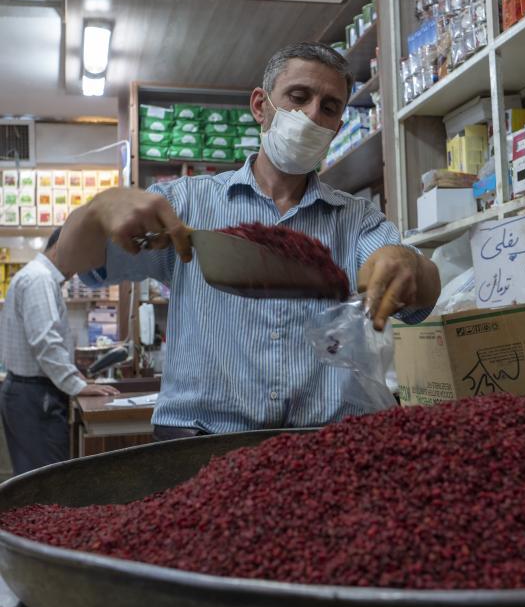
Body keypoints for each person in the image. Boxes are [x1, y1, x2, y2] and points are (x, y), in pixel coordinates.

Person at [57, 42, 440, 440]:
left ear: (337, 127)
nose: (311, 114)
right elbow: (74, 260)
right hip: (199, 443)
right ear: (260, 106)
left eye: (329, 107)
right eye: (298, 97)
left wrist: (409, 264)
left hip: (325, 447)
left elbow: (422, 296)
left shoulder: (356, 219)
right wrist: (96, 210)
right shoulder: (185, 204)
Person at [0, 228, 117, 475]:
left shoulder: (38, 276)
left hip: (28, 393)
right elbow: (46, 342)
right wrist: (75, 384)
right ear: (60, 249)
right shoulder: (40, 279)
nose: (81, 269)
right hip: (34, 395)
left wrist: (73, 375)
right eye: (81, 257)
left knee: (34, 479)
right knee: (46, 482)